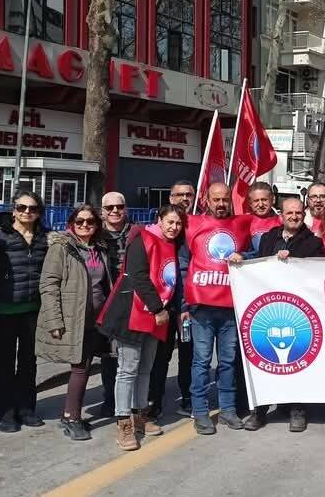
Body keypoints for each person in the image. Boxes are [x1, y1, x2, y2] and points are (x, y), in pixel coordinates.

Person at [99, 205, 184, 451]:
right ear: (159, 219)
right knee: (128, 369)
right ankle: (123, 420)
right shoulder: (142, 239)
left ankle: (139, 414)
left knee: (145, 369)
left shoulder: (171, 244)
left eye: (178, 224)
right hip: (136, 313)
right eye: (169, 222)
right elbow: (138, 275)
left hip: (157, 316)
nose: (173, 227)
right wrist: (158, 308)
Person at [241, 197, 325, 432]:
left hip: (298, 311)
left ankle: (297, 410)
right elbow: (257, 264)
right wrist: (242, 261)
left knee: (296, 361)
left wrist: (295, 262)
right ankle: (259, 411)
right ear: (281, 215)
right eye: (289, 213)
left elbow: (318, 273)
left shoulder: (314, 243)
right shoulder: (269, 238)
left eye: (298, 213)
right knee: (265, 359)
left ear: (304, 214)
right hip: (268, 308)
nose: (294, 216)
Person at [37, 204, 117, 442]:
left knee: (88, 365)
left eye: (90, 222)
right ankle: (72, 418)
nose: (85, 226)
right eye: (80, 222)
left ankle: (71, 414)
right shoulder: (61, 248)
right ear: (71, 224)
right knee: (80, 368)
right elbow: (48, 285)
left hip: (97, 318)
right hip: (74, 317)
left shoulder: (98, 248)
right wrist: (55, 320)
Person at [182, 182, 253, 435]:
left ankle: (228, 409)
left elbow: (255, 250)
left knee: (227, 362)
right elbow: (180, 260)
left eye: (225, 199)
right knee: (201, 362)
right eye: (216, 199)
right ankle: (200, 412)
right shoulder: (191, 224)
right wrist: (184, 302)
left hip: (230, 307)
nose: (221, 204)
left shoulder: (242, 225)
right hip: (201, 307)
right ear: (207, 201)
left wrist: (244, 255)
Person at [0, 190, 49, 433]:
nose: (27, 212)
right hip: (4, 308)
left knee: (28, 361)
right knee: (4, 361)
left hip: (33, 309)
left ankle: (26, 408)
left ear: (39, 212)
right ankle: (4, 412)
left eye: (32, 208)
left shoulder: (46, 238)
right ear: (14, 210)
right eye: (22, 207)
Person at [146, 182, 195, 422]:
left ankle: (188, 397)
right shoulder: (154, 233)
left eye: (189, 194)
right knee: (160, 356)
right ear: (170, 197)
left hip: (186, 309)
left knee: (188, 354)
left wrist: (187, 306)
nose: (184, 198)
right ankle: (154, 401)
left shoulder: (195, 228)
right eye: (179, 195)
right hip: (162, 307)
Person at [98, 191, 135, 417]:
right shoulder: (96, 234)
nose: (114, 211)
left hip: (133, 300)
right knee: (109, 355)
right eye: (109, 207)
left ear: (125, 209)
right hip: (107, 301)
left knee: (131, 354)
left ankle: (132, 400)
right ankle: (110, 399)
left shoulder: (137, 233)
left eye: (119, 207)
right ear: (102, 211)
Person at [246, 181, 282, 256]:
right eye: (256, 201)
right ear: (250, 203)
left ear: (273, 199)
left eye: (264, 200)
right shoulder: (244, 221)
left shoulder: (282, 221)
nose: (260, 204)